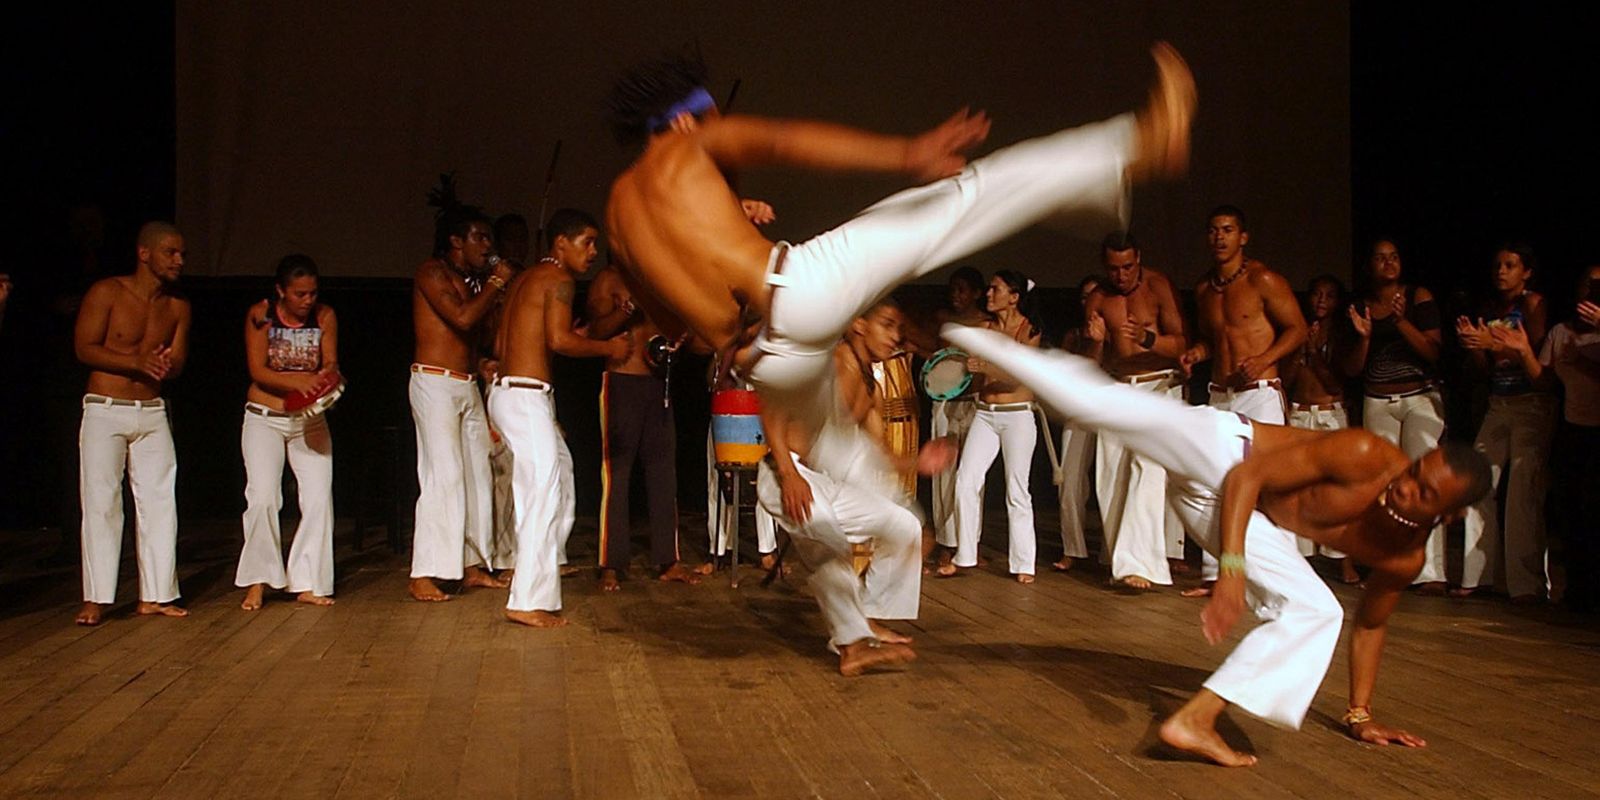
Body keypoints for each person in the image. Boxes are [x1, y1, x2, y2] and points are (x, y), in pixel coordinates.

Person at [603, 43, 1195, 455]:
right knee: (964, 198)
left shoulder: (617, 217)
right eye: (710, 118)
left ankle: (855, 633)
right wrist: (907, 154)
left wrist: (727, 223)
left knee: (842, 467)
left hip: (763, 359)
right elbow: (789, 141)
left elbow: (668, 322)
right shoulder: (693, 144)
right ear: (685, 122)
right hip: (798, 290)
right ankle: (1139, 143)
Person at [944, 323, 1491, 767]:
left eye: (1424, 492)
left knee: (1316, 611)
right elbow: (1246, 478)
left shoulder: (1405, 557)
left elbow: (1370, 625)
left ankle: (1194, 719)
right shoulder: (1368, 456)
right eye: (1416, 470)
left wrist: (1361, 715)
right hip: (1225, 453)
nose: (1405, 484)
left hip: (1233, 512)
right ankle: (987, 342)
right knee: (1104, 409)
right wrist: (1228, 570)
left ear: (1449, 513)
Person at [759, 299, 954, 675]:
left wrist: (920, 462)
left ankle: (866, 620)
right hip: (785, 475)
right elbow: (772, 410)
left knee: (905, 526)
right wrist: (789, 474)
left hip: (822, 483)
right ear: (859, 325)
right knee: (829, 542)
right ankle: (852, 645)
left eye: (899, 327)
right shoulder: (828, 363)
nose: (896, 336)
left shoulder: (870, 389)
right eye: (887, 324)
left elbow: (880, 455)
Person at [488, 209, 628, 627]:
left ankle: (537, 583)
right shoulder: (560, 280)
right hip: (525, 396)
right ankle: (527, 599)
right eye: (586, 242)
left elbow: (503, 340)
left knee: (558, 480)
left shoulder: (525, 280)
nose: (592, 252)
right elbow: (558, 341)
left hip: (513, 393)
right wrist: (608, 348)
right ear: (560, 243)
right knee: (542, 494)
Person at [1179, 205, 1308, 596]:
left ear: (1243, 237)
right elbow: (1212, 339)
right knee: (1215, 481)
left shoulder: (1263, 279)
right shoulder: (1204, 289)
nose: (1220, 237)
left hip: (1260, 395)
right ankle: (1219, 575)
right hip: (1221, 394)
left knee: (1268, 486)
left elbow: (1298, 329)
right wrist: (1196, 355)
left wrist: (1266, 359)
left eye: (1229, 230)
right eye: (1214, 230)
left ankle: (1280, 578)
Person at [73, 221, 193, 625]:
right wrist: (133, 361)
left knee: (161, 503)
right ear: (145, 253)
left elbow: (176, 364)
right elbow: (83, 347)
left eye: (182, 254)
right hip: (105, 407)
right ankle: (97, 597)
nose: (179, 261)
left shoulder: (177, 306)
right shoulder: (107, 291)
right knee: (102, 503)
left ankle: (156, 594)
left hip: (152, 411)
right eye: (170, 253)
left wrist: (166, 364)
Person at [407, 182, 515, 602]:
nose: (487, 246)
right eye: (480, 237)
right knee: (444, 476)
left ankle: (470, 564)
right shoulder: (431, 273)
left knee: (476, 475)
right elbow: (463, 319)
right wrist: (495, 284)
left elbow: (482, 332)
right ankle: (423, 573)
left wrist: (498, 295)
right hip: (434, 382)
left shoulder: (474, 281)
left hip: (467, 383)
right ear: (456, 241)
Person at [585, 261, 701, 591]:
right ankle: (611, 563)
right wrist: (629, 308)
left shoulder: (663, 276)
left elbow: (686, 331)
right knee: (617, 474)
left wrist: (681, 335)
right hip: (622, 382)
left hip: (659, 384)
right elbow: (596, 332)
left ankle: (668, 560)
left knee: (664, 473)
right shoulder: (609, 279)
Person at [1081, 232, 1188, 589]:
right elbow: (1090, 363)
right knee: (1109, 477)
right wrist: (1096, 343)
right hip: (1117, 388)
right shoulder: (1098, 298)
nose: (1121, 275)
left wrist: (1148, 339)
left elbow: (1181, 343)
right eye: (1114, 268)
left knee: (1148, 470)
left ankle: (1141, 565)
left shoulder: (1158, 287)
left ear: (1139, 258)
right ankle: (1119, 559)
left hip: (1158, 385)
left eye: (1128, 267)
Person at [235, 255, 340, 610]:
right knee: (263, 497)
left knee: (317, 498)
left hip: (309, 419)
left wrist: (324, 380)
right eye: (299, 294)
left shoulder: (324, 316)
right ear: (280, 291)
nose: (307, 300)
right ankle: (259, 580)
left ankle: (308, 581)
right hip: (265, 416)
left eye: (312, 292)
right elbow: (258, 370)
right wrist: (300, 381)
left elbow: (329, 363)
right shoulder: (261, 316)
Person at [1342, 239, 1446, 592]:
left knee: (1423, 482)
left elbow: (1432, 351)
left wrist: (1401, 322)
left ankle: (1429, 571)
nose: (1388, 263)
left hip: (1420, 398)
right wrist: (1365, 339)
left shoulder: (1418, 297)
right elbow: (1353, 369)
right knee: (1383, 486)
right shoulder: (1360, 306)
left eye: (1394, 256)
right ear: (1369, 265)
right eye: (1380, 257)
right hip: (1378, 400)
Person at [1495, 265, 1600, 611]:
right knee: (1572, 510)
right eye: (1587, 285)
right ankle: (1579, 590)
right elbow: (1544, 382)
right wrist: (1524, 350)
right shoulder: (1561, 333)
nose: (1590, 292)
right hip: (1573, 430)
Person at [1455, 244, 1555, 602]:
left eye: (1510, 265)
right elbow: (1485, 372)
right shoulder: (1490, 308)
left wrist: (1493, 344)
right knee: (1479, 483)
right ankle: (1478, 577)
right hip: (1498, 403)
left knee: (1522, 496)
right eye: (1497, 264)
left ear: (1526, 272)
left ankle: (1527, 586)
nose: (1501, 271)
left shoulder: (1533, 304)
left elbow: (1537, 353)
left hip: (1530, 404)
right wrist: (1476, 350)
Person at [951, 271, 1044, 582]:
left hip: (1017, 415)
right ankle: (965, 554)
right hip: (985, 414)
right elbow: (977, 377)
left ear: (1014, 296)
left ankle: (1023, 564)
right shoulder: (984, 329)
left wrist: (985, 366)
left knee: (1017, 490)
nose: (988, 294)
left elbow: (1018, 376)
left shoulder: (1028, 330)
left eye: (996, 289)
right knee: (966, 479)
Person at [1286, 274, 1358, 581]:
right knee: (1299, 489)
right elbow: (1286, 380)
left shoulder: (1341, 334)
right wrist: (1301, 351)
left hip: (1330, 413)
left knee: (1336, 490)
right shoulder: (1298, 331)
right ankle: (1301, 559)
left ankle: (1343, 560)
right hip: (1300, 413)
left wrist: (1315, 352)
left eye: (1329, 296)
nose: (1321, 301)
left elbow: (1336, 381)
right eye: (1317, 294)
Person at [928, 266, 989, 572]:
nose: (956, 295)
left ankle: (968, 544)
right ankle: (946, 543)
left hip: (975, 404)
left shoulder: (987, 325)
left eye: (963, 289)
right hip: (944, 403)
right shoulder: (944, 321)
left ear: (978, 293)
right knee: (944, 475)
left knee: (971, 476)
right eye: (953, 289)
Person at [1053, 274, 1101, 572]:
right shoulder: (1074, 336)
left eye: (1094, 295)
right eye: (1084, 297)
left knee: (1111, 482)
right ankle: (1073, 548)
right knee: (1069, 481)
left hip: (1108, 410)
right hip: (1078, 412)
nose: (1089, 302)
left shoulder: (1115, 331)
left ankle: (1112, 552)